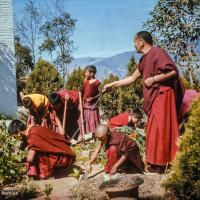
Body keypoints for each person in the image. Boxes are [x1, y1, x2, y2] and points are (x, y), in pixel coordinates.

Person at [103, 31, 184, 173]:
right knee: (153, 130)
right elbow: (132, 78)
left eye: (135, 42)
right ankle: (156, 163)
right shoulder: (144, 60)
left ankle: (163, 164)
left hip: (163, 95)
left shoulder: (157, 52)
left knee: (162, 129)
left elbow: (173, 72)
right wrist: (112, 85)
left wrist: (153, 79)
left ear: (141, 41)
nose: (134, 45)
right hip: (155, 98)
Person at [8, 120, 76, 179]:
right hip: (66, 152)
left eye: (14, 136)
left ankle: (42, 173)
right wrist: (16, 152)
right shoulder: (32, 128)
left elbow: (30, 158)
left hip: (64, 157)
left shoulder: (33, 135)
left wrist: (16, 160)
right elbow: (23, 144)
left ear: (19, 132)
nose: (15, 138)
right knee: (35, 149)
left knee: (35, 155)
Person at [82, 65, 101, 134]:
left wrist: (92, 98)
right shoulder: (85, 81)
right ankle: (87, 133)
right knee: (86, 119)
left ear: (92, 73)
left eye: (86, 72)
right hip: (85, 105)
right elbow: (83, 92)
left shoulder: (97, 82)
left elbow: (100, 94)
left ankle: (95, 134)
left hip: (92, 105)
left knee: (93, 120)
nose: (85, 74)